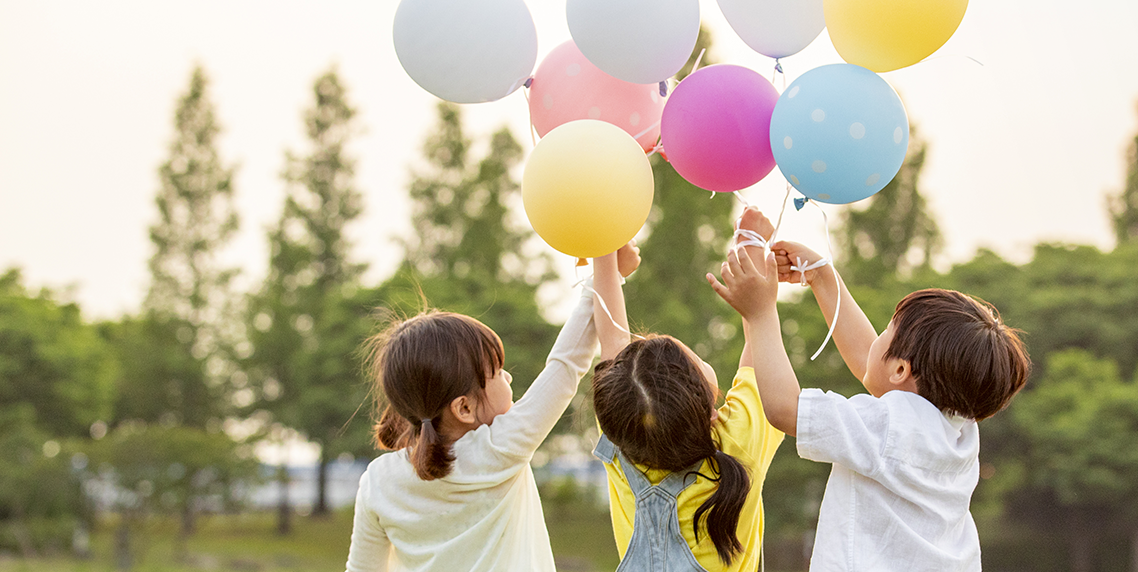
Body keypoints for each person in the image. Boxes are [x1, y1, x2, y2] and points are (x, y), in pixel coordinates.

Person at [706, 211, 1031, 571]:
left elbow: (785, 407)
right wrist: (821, 277)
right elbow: (871, 366)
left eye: (887, 331)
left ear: (901, 369)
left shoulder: (887, 427)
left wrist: (760, 313)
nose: (877, 338)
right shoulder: (959, 429)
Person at [344, 247, 632, 572]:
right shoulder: (500, 449)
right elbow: (566, 364)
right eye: (497, 372)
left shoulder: (378, 482)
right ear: (464, 407)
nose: (508, 377)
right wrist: (608, 270)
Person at [587, 221, 786, 572]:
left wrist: (607, 242)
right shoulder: (737, 444)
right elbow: (761, 346)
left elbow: (612, 342)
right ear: (710, 409)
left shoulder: (624, 437)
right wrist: (750, 244)